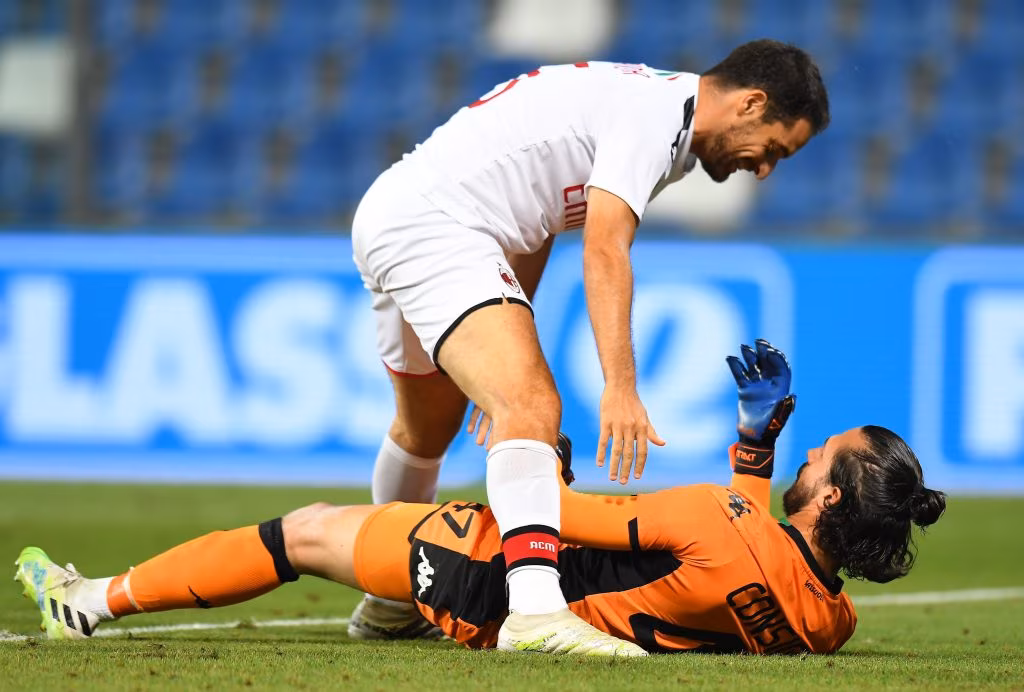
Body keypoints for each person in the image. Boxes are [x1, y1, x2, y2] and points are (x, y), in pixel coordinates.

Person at [348, 38, 831, 652]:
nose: (764, 168)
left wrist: (501, 343)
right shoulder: (658, 118)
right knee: (533, 408)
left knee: (425, 430)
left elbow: (538, 221)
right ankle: (534, 614)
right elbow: (604, 247)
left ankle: (389, 604)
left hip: (403, 211)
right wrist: (620, 387)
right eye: (775, 149)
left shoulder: (659, 115)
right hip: (437, 227)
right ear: (751, 104)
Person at [16, 342, 946, 655]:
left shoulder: (717, 516)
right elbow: (744, 560)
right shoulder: (829, 623)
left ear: (830, 497)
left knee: (303, 532)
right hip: (572, 602)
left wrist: (522, 448)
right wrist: (755, 446)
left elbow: (558, 516)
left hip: (494, 575)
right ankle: (390, 613)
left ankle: (88, 603)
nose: (810, 449)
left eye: (823, 456)